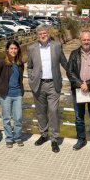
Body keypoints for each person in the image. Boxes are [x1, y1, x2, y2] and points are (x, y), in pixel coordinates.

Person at [27, 25, 68, 153]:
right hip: (38, 84)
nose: (43, 35)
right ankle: (44, 134)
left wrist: (74, 76)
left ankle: (54, 138)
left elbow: (64, 62)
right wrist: (31, 78)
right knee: (40, 111)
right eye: (40, 34)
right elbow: (29, 66)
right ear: (37, 36)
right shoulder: (31, 48)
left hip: (53, 83)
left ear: (48, 33)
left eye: (44, 33)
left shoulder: (56, 46)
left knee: (53, 110)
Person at [0, 40, 25, 148]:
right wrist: (0, 89)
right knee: (6, 118)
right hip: (5, 95)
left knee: (18, 118)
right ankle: (9, 138)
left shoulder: (20, 64)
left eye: (15, 48)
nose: (13, 50)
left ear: (18, 50)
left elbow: (20, 79)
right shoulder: (2, 62)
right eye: (11, 48)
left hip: (17, 95)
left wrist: (21, 91)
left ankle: (17, 137)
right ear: (7, 50)